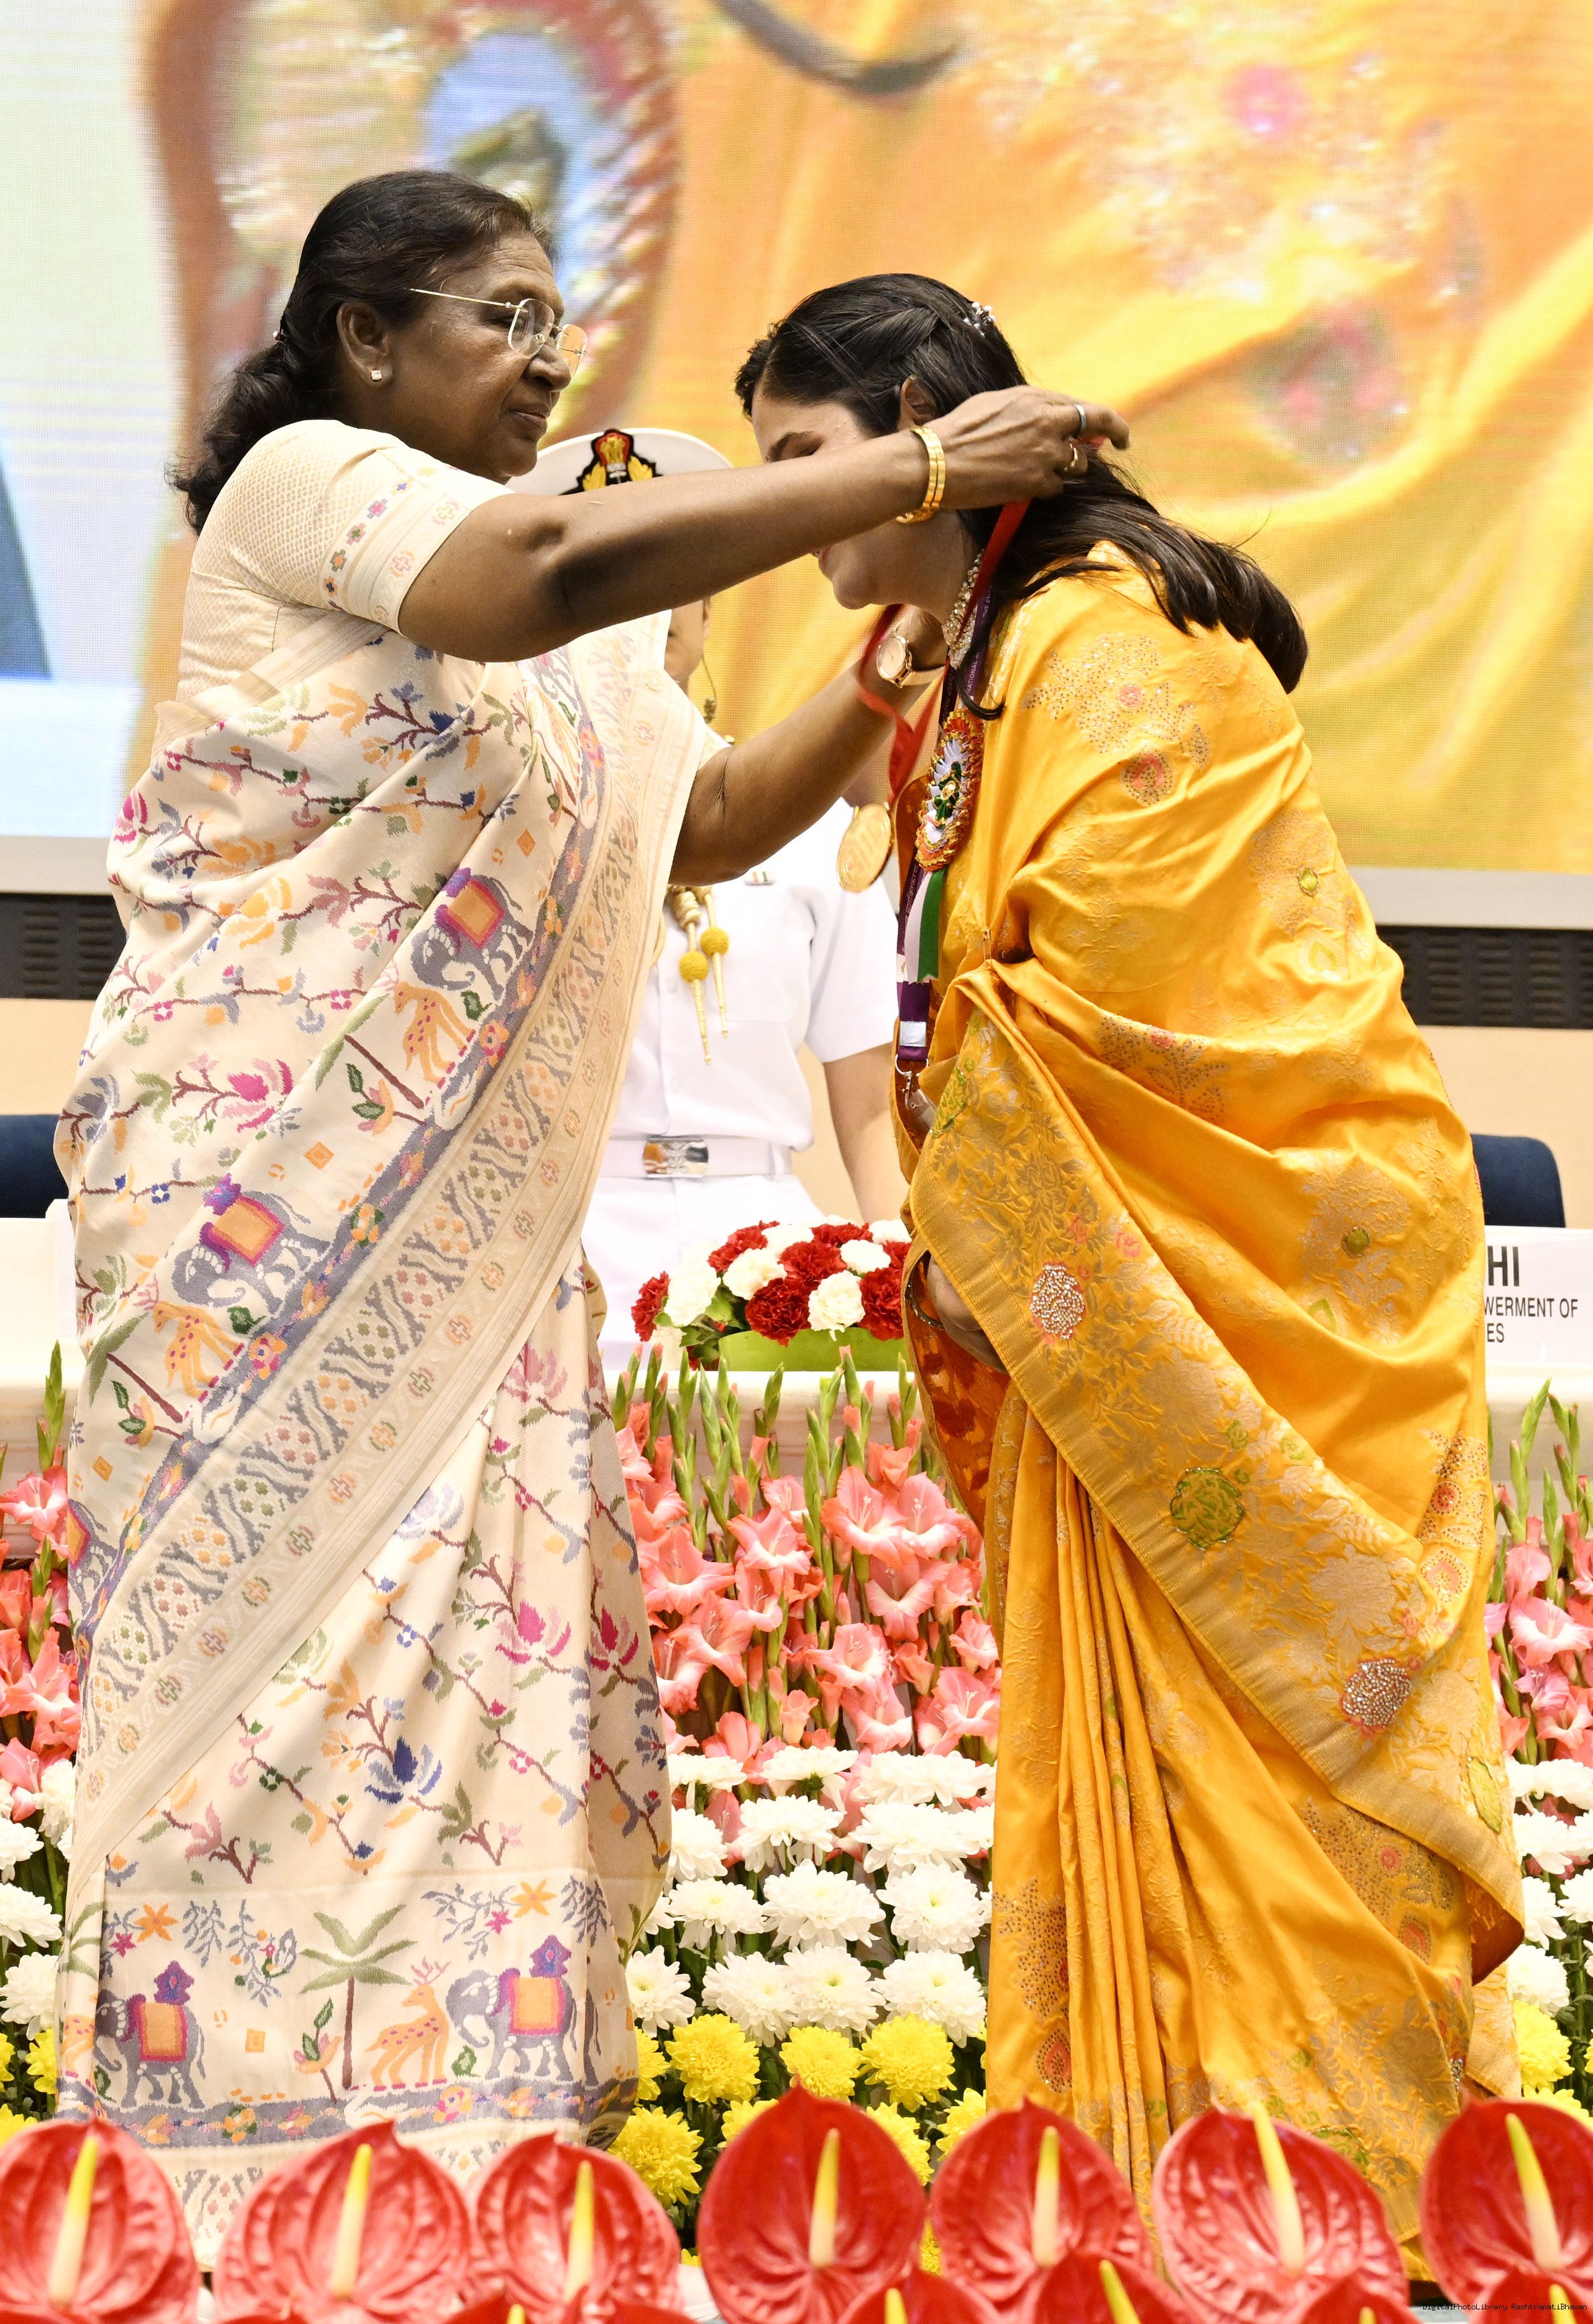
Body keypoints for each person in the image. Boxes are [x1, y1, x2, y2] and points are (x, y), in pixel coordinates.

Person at [51, 177, 1114, 2251]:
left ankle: (463, 2173)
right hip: (261, 1217)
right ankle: (211, 2173)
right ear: (365, 337)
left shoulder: (580, 639)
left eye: (558, 317)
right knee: (267, 1688)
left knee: (476, 1685)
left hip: (475, 1249)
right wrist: (914, 470)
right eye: (502, 316)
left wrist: (884, 669)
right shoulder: (312, 486)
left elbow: (702, 819)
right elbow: (531, 573)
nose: (549, 357)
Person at [737, 274, 1522, 2257]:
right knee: (1154, 1745)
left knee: (1276, 1736)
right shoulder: (977, 652)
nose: (790, 510)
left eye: (803, 458)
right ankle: (1155, 2201)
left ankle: (1341, 2204)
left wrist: (975, 1178)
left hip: (1249, 1281)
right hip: (1115, 1281)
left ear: (917, 424)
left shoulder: (1104, 640)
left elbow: (1134, 1002)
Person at [518, 425, 902, 1357]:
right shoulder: (505, 828)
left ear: (707, 606)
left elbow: (869, 1102)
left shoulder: (810, 823)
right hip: (558, 1247)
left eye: (670, 573)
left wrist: (897, 1272)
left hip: (768, 1260)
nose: (644, 609)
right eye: (610, 576)